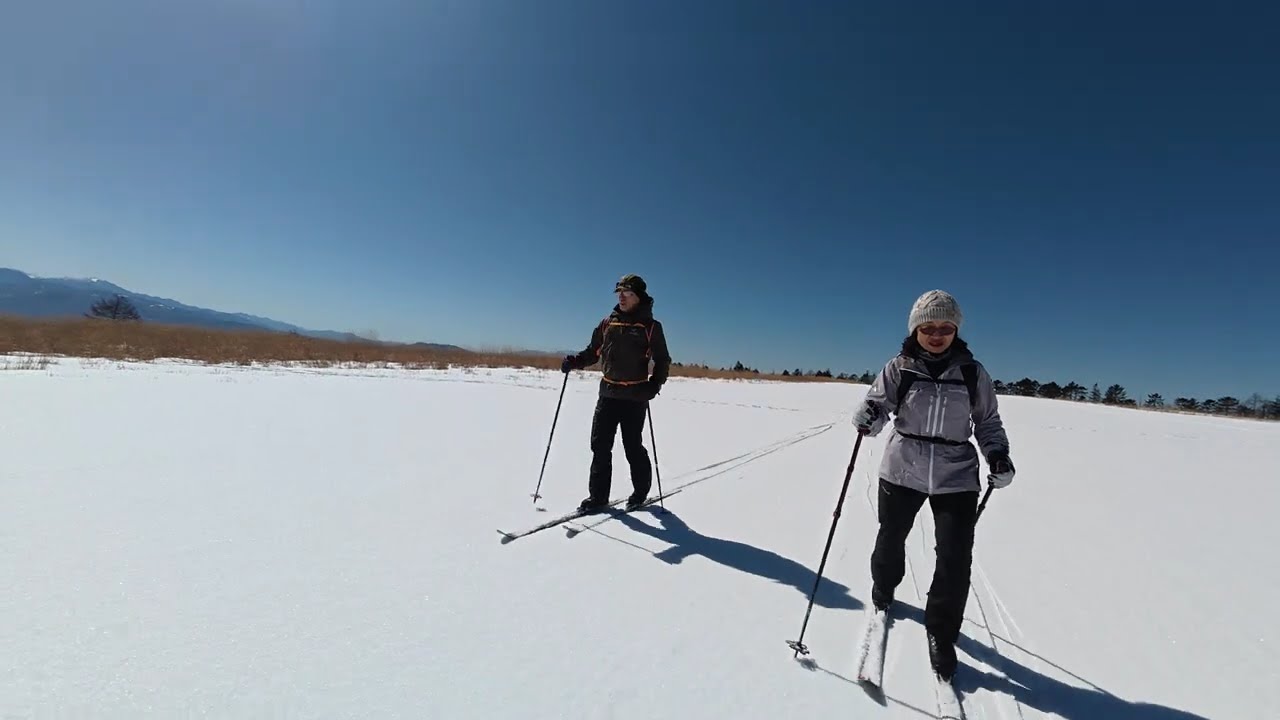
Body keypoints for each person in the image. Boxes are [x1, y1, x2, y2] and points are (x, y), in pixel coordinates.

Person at [851, 289, 1015, 682]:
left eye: (946, 327)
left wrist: (998, 455)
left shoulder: (973, 373)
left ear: (956, 330)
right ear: (916, 329)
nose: (937, 334)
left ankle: (942, 632)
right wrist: (868, 416)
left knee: (955, 559)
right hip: (902, 467)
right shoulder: (900, 367)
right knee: (891, 537)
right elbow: (877, 409)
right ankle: (884, 588)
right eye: (929, 327)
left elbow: (988, 423)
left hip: (956, 474)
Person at [561, 274, 672, 512]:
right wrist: (574, 361)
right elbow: (593, 352)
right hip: (608, 395)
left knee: (633, 446)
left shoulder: (651, 327)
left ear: (638, 297)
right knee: (600, 446)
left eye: (628, 293)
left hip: (635, 397)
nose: (621, 297)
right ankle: (598, 497)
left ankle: (640, 492)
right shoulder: (607, 323)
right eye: (619, 292)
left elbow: (662, 360)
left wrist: (654, 385)